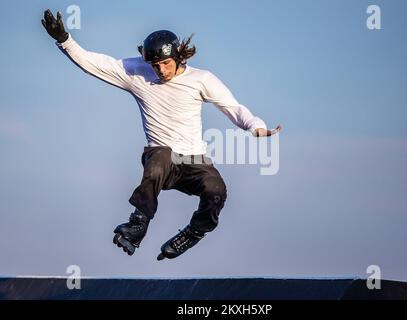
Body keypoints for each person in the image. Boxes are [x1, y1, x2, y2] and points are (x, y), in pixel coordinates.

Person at [41, 9, 281, 260]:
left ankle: (193, 233)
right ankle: (138, 224)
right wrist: (65, 40)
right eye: (155, 66)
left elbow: (232, 107)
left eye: (166, 64)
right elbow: (94, 63)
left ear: (179, 58)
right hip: (160, 156)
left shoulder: (201, 79)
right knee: (160, 159)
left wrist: (255, 126)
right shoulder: (136, 72)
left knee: (216, 190)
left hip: (193, 161)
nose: (161, 71)